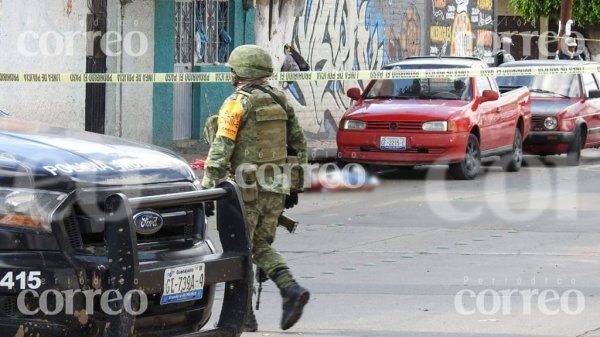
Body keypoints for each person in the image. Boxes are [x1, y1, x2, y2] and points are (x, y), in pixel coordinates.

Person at [201, 44, 309, 332]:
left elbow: (221, 148)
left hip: (244, 191)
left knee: (241, 250)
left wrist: (207, 188)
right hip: (277, 187)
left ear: (242, 72)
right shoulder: (280, 99)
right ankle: (289, 291)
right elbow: (299, 145)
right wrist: (295, 185)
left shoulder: (237, 102)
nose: (231, 75)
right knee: (259, 246)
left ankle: (245, 313)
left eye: (233, 70)